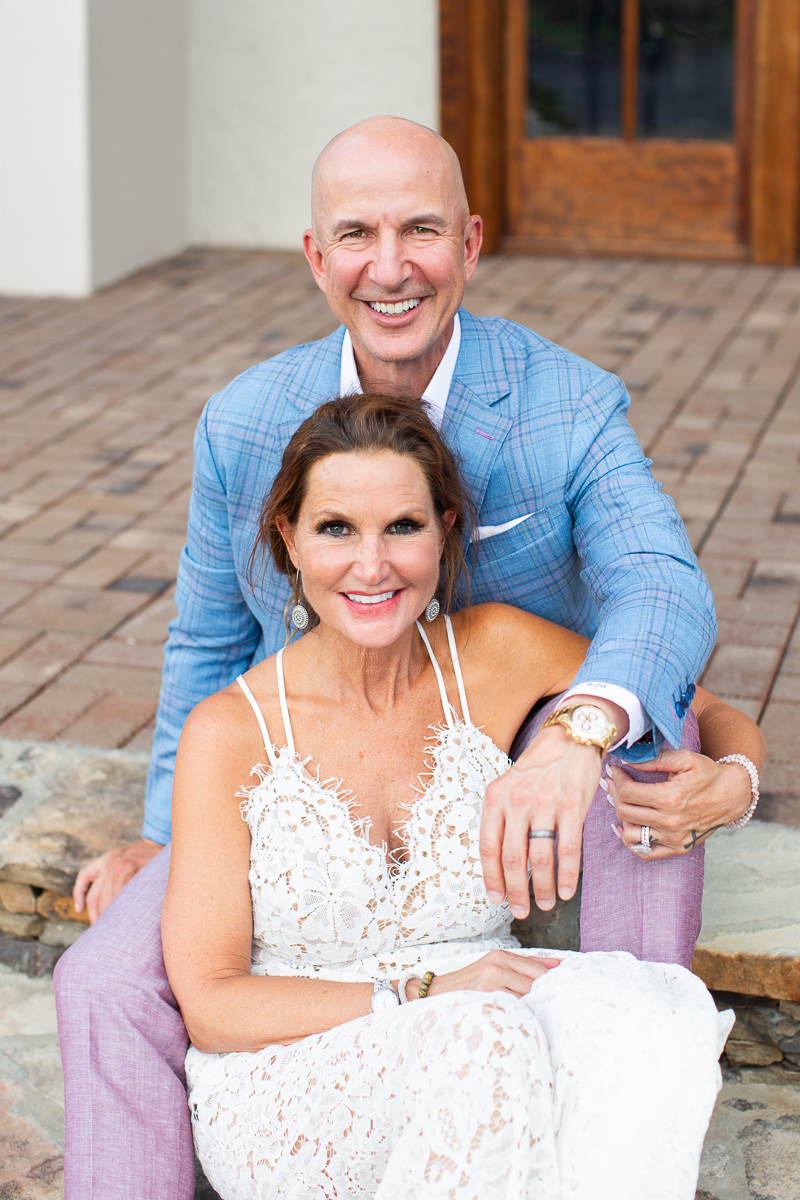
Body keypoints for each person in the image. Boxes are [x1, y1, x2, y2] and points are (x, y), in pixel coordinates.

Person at [54, 117, 764, 1200]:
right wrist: (164, 832)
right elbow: (205, 638)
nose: (389, 268)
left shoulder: (564, 403)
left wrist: (591, 737)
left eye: (420, 230)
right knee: (102, 980)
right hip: (301, 738)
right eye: (356, 235)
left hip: (520, 705)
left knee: (636, 755)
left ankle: (618, 1097)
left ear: (470, 243)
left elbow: (660, 591)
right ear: (315, 256)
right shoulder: (245, 423)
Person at [163, 393, 733, 1200]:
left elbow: (701, 705)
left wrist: (732, 784)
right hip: (289, 1076)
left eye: (403, 526)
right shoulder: (227, 734)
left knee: (650, 1011)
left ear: (446, 531)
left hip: (485, 1030)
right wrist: (421, 996)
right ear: (288, 538)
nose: (372, 565)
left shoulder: (495, 652)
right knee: (486, 1034)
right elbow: (214, 1004)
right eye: (336, 529)